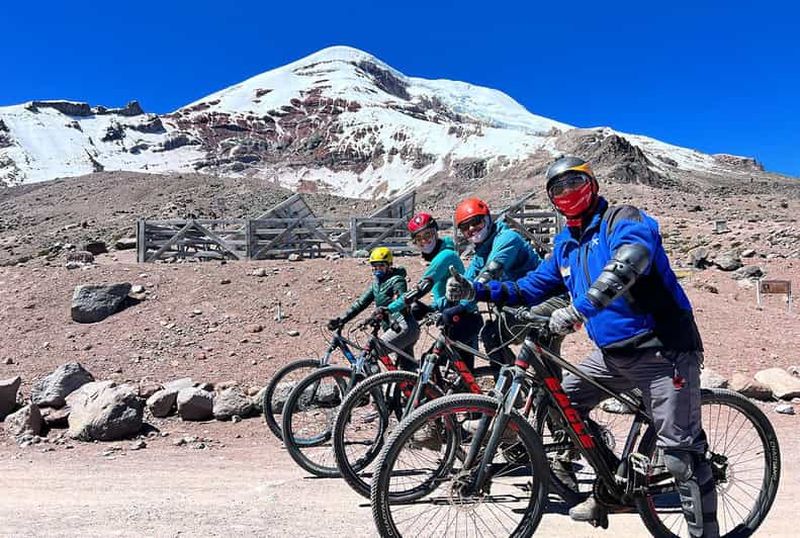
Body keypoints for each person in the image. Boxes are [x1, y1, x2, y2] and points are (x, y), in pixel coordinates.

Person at [446, 156, 718, 537]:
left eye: (575, 182)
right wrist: (476, 290)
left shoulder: (624, 219)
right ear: (551, 198)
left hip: (663, 351)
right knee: (560, 405)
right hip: (611, 356)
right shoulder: (566, 244)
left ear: (592, 184)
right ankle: (615, 485)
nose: (568, 193)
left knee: (680, 456)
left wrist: (579, 309)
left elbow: (626, 265)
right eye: (558, 188)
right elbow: (529, 288)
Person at [454, 197, 553, 369]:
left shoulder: (507, 238)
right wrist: (455, 305)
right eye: (465, 227)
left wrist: (474, 291)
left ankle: (537, 389)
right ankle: (511, 386)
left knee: (539, 356)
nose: (471, 229)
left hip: (542, 301)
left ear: (487, 219)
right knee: (492, 336)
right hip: (518, 305)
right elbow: (468, 281)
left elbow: (492, 271)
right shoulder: (481, 252)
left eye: (476, 222)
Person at [384, 212, 483, 369]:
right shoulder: (443, 254)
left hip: (463, 318)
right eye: (419, 239)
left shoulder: (445, 256)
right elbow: (447, 296)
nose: (425, 241)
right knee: (458, 371)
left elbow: (422, 287)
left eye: (428, 235)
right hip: (456, 317)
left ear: (436, 232)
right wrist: (431, 308)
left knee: (431, 363)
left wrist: (389, 309)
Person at [327, 246, 419, 370]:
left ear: (389, 265)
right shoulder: (377, 283)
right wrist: (342, 319)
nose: (377, 269)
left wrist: (384, 312)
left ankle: (373, 387)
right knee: (407, 369)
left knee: (371, 354)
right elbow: (360, 303)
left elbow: (401, 301)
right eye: (374, 266)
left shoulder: (397, 280)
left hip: (403, 327)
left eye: (381, 266)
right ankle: (419, 388)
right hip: (393, 328)